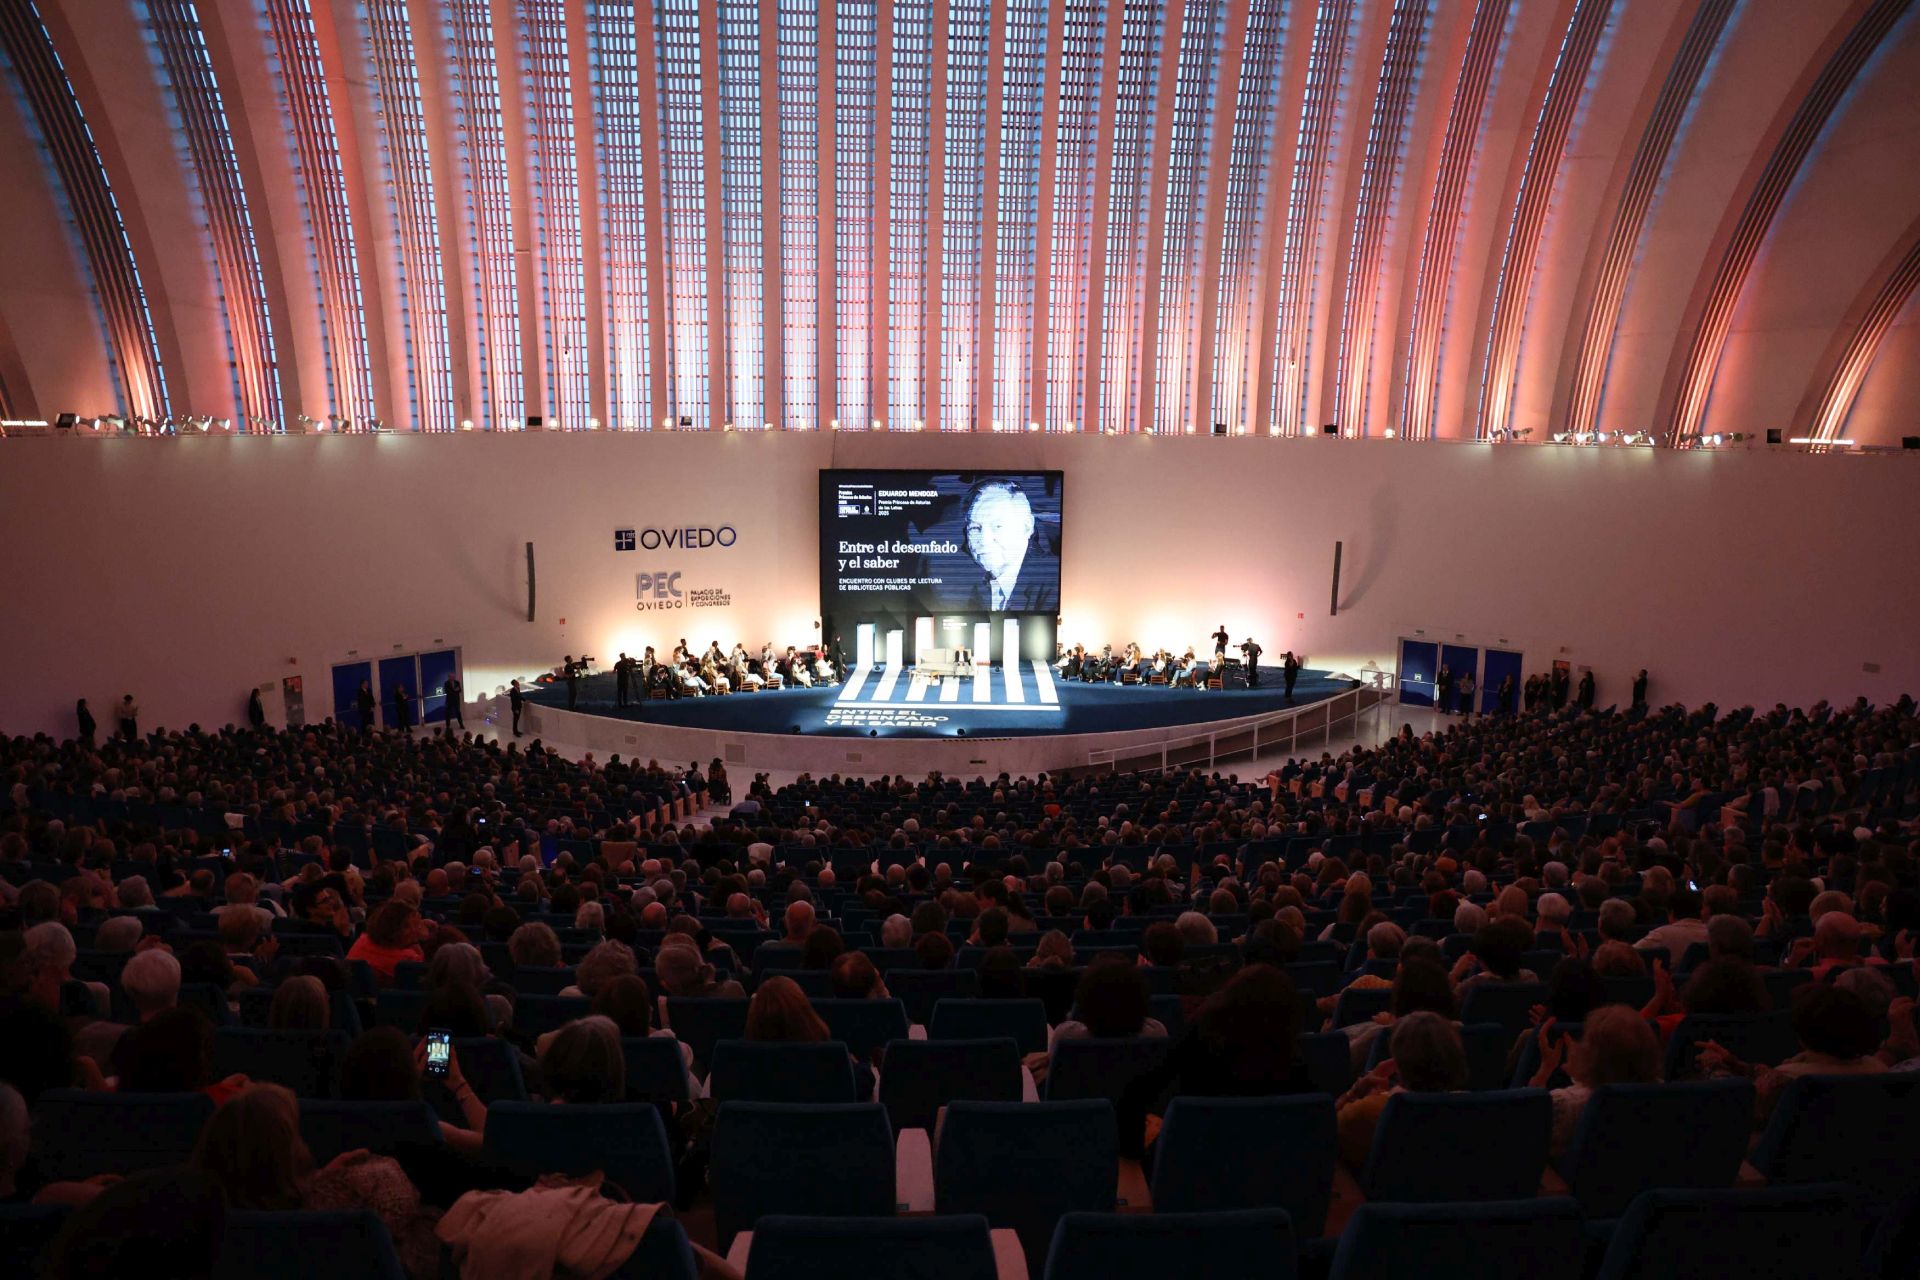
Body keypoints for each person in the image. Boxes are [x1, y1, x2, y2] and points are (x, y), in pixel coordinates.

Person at [1117, 964, 1317, 1158]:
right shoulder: (1298, 1070)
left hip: (1194, 1165)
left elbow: (1137, 1095)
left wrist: (1147, 1143)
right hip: (1274, 1175)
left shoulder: (1198, 1044)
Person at [1335, 1011, 1467, 1169]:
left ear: (1397, 1060)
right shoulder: (1474, 1110)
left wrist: (1354, 1092)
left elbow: (1321, 1135)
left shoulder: (1368, 1111)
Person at [1528, 1006, 1662, 1162]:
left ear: (1591, 1053)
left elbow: (1525, 1132)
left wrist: (1545, 1069)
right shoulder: (1663, 1096)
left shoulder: (1565, 1104)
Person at [960, 478, 1057, 613]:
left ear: (1027, 526)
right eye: (975, 527)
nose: (984, 540)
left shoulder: (1054, 583)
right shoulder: (969, 586)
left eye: (998, 526)